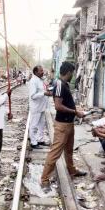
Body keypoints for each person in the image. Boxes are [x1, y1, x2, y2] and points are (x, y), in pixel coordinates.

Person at [41, 61, 87, 193]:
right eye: (72, 73)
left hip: (69, 123)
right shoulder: (60, 84)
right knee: (55, 152)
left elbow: (65, 102)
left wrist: (76, 109)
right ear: (68, 73)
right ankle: (44, 179)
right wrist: (75, 112)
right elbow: (58, 106)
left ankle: (72, 170)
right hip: (62, 125)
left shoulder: (64, 84)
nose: (73, 75)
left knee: (69, 150)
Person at [28, 65, 52, 149]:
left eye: (43, 70)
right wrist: (44, 93)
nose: (43, 72)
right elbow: (33, 96)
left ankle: (40, 140)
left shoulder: (40, 80)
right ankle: (33, 142)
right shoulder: (33, 81)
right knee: (34, 125)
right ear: (36, 72)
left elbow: (42, 90)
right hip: (36, 107)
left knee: (41, 124)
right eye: (41, 71)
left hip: (42, 106)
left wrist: (47, 90)